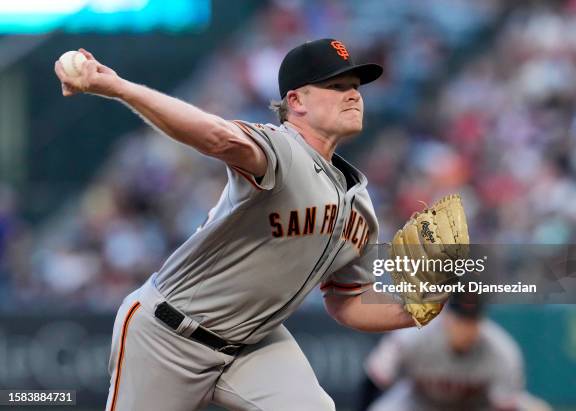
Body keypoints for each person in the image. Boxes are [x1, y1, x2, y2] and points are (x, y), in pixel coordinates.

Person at [54, 38, 419, 411]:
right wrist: (119, 88)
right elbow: (217, 137)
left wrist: (417, 310)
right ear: (295, 102)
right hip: (168, 335)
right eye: (336, 86)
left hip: (253, 344)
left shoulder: (360, 204)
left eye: (356, 87)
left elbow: (348, 301)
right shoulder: (282, 149)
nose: (353, 96)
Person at [361, 293, 551, 411]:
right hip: (418, 404)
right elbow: (374, 379)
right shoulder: (412, 337)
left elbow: (505, 405)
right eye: (460, 320)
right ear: (446, 318)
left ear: (481, 322)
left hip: (476, 407)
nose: (465, 329)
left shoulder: (501, 350)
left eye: (471, 322)